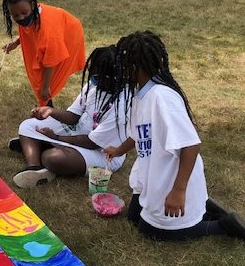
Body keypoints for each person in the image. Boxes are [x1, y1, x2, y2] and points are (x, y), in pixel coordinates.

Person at [103, 31, 244, 241]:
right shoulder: (139, 94)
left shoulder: (162, 98)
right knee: (134, 218)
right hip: (155, 173)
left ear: (133, 67)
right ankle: (204, 204)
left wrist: (178, 191)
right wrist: (118, 150)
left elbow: (190, 146)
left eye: (122, 65)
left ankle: (223, 225)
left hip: (174, 177)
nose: (119, 71)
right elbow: (138, 134)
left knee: (152, 231)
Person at [9, 46, 128, 188]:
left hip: (103, 153)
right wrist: (50, 111)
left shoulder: (121, 106)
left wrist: (56, 138)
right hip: (76, 133)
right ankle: (35, 167)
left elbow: (92, 142)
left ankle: (40, 146)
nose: (92, 80)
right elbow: (73, 116)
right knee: (27, 125)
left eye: (96, 77)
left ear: (113, 78)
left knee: (52, 158)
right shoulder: (94, 85)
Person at [2, 0, 86, 107]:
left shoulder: (48, 33)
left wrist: (46, 87)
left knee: (44, 85)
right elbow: (29, 31)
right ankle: (45, 104)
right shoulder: (29, 12)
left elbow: (51, 61)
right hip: (54, 33)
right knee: (39, 72)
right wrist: (15, 44)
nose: (21, 18)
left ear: (32, 5)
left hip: (70, 34)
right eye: (15, 15)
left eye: (24, 13)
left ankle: (46, 108)